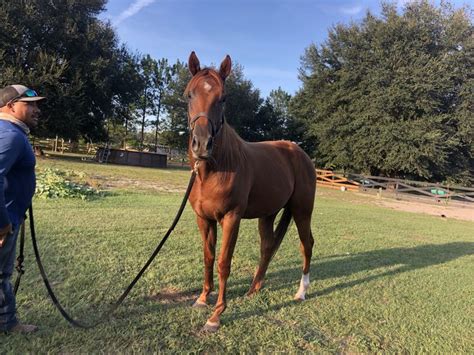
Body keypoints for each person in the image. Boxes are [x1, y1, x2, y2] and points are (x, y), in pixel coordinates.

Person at [0, 84, 45, 333]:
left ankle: (6, 321)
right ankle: (8, 323)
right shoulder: (10, 135)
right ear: (10, 106)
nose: (36, 109)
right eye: (30, 104)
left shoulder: (9, 132)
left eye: (37, 104)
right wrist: (2, 224)